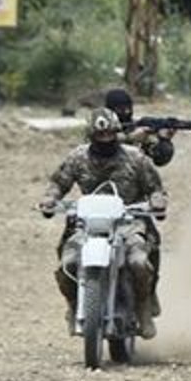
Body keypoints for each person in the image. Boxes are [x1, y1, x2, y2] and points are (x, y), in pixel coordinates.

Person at [38, 109, 168, 339]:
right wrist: (50, 198)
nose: (106, 139)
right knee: (67, 264)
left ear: (117, 133)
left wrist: (157, 201)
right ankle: (74, 305)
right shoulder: (78, 157)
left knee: (139, 262)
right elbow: (58, 183)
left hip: (129, 221)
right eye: (100, 135)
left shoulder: (135, 158)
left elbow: (155, 188)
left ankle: (143, 306)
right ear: (91, 135)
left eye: (110, 133)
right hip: (88, 222)